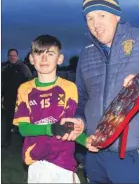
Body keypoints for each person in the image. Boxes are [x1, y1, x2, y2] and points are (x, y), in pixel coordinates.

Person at [60, 0, 139, 183]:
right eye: (89, 18)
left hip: (134, 152)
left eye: (102, 15)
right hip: (95, 152)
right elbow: (83, 98)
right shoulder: (85, 55)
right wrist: (79, 120)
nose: (96, 24)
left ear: (116, 15)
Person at [12, 34, 85, 183]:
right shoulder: (24, 89)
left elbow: (71, 127)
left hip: (63, 162)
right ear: (31, 59)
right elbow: (24, 129)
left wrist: (88, 141)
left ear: (60, 59)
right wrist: (51, 128)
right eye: (39, 53)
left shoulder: (69, 88)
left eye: (50, 53)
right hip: (36, 162)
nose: (44, 58)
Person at [2, 48, 32, 147]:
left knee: (23, 121)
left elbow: (30, 83)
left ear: (17, 56)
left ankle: (25, 142)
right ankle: (7, 141)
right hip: (8, 100)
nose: (12, 57)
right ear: (8, 56)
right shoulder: (4, 68)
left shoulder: (24, 68)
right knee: (9, 121)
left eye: (14, 55)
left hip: (21, 100)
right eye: (10, 55)